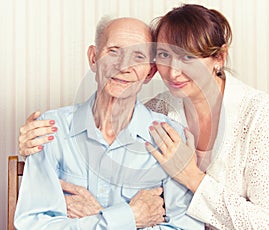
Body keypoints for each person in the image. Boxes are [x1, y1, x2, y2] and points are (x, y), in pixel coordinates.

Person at [18, 4, 269, 229]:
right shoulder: (160, 114)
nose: (174, 73)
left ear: (219, 59)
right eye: (164, 56)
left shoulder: (256, 115)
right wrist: (33, 138)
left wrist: (191, 177)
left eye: (188, 58)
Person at [14, 17, 204, 229]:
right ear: (93, 58)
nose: (123, 66)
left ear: (150, 72)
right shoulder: (48, 130)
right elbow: (34, 224)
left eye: (138, 56)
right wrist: (131, 218)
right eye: (114, 51)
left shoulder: (170, 138)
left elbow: (184, 227)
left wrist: (101, 217)